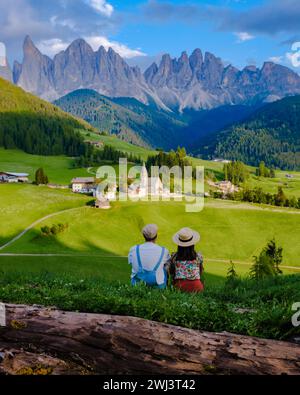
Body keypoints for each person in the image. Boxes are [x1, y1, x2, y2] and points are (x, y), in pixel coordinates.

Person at [128, 224, 170, 289]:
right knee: (165, 266)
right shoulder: (164, 250)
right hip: (158, 285)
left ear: (143, 235)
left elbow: (131, 263)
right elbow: (168, 266)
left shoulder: (133, 249)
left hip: (137, 285)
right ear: (156, 236)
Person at [169, 228, 204, 293]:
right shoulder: (198, 256)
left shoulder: (174, 256)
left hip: (180, 287)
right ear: (192, 243)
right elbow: (200, 272)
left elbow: (172, 272)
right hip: (197, 287)